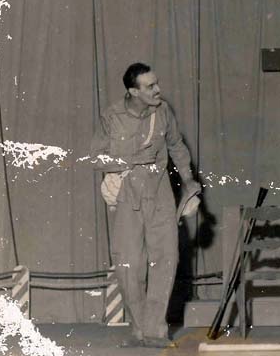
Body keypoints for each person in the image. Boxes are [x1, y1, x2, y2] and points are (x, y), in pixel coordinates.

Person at [91, 62, 201, 348]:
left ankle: (155, 330)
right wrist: (125, 163)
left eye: (157, 83)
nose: (158, 90)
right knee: (129, 262)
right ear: (132, 91)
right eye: (150, 86)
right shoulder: (112, 116)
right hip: (128, 191)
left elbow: (176, 146)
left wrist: (189, 184)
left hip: (159, 188)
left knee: (167, 258)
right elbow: (95, 157)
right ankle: (140, 329)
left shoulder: (162, 111)